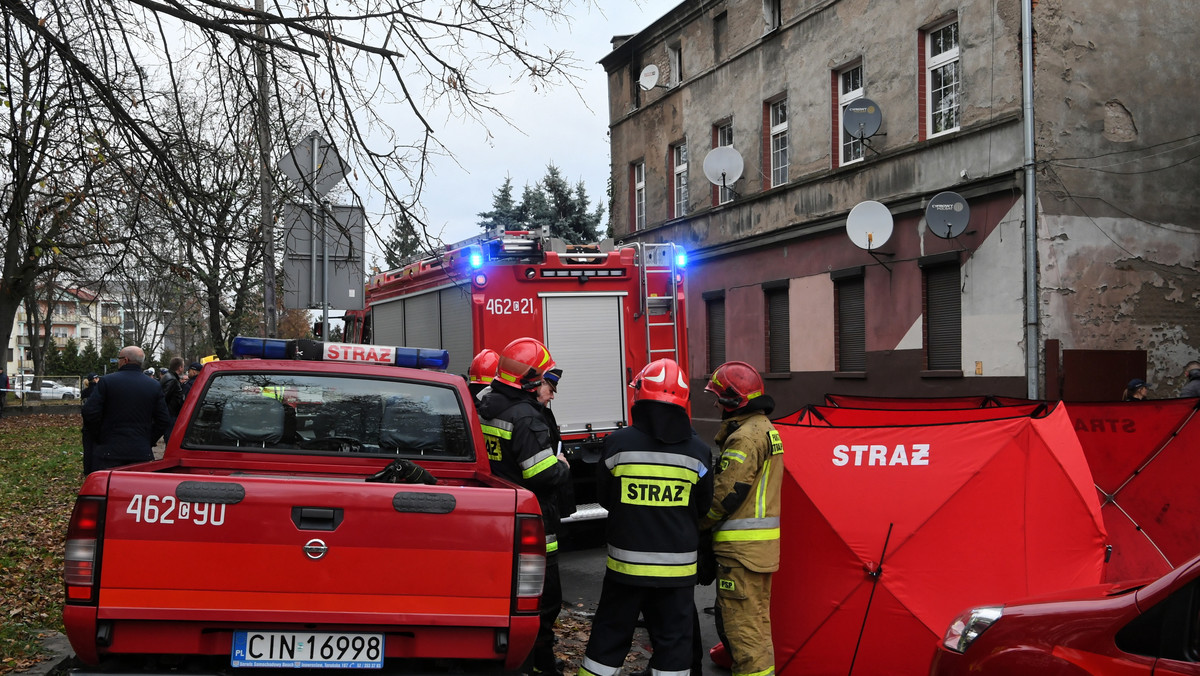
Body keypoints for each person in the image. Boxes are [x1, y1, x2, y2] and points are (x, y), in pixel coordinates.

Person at [578, 359, 713, 676]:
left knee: (608, 639)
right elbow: (703, 507)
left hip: (625, 571)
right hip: (677, 575)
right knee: (674, 647)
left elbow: (605, 498)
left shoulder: (617, 444)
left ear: (640, 395)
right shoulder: (699, 452)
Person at [476, 337, 570, 676]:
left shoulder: (488, 402)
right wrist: (561, 465)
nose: (551, 391)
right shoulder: (527, 418)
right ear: (531, 381)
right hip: (532, 521)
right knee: (544, 601)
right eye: (547, 382)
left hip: (497, 515)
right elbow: (539, 472)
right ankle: (535, 663)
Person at [700, 361, 783, 676]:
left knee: (743, 636)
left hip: (740, 554)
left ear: (734, 402)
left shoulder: (744, 437)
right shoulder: (765, 429)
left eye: (719, 398)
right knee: (758, 632)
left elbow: (725, 495)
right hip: (759, 553)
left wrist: (697, 523)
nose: (717, 404)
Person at [81, 346, 171, 473]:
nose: (118, 361)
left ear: (126, 360)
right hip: (141, 451)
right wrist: (148, 439)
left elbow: (89, 412)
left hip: (109, 451)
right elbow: (163, 420)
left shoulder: (107, 382)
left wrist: (100, 435)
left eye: (119, 358)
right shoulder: (153, 386)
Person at [160, 357, 186, 443]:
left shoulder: (169, 377)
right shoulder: (172, 380)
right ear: (180, 367)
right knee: (171, 439)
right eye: (183, 366)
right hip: (171, 414)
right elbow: (164, 397)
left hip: (170, 413)